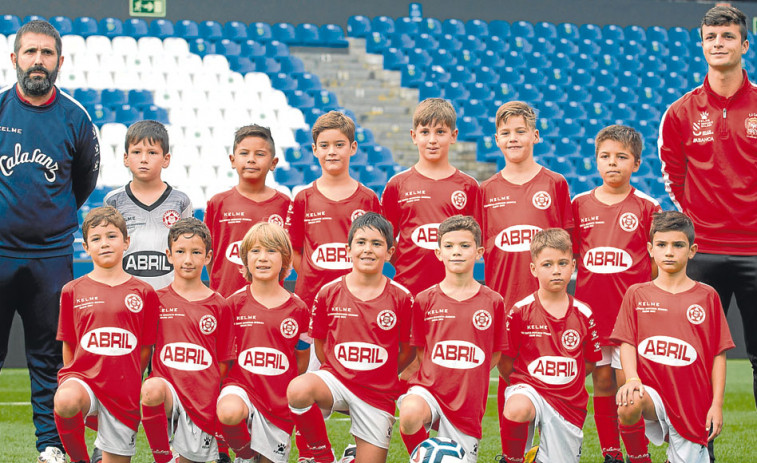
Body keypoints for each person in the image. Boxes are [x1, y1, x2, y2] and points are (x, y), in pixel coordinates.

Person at [0, 19, 100, 461]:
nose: (37, 60)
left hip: (52, 256)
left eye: (46, 53)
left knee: (48, 355)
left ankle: (50, 445)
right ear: (14, 58)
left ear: (60, 61)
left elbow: (83, 182)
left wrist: (49, 220)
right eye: (30, 52)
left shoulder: (76, 118)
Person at [658, 4, 757, 409]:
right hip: (702, 252)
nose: (719, 43)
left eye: (728, 36)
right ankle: (699, 454)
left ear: (745, 45)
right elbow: (671, 173)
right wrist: (696, 225)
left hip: (755, 251)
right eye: (711, 37)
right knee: (694, 358)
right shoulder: (680, 111)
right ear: (701, 46)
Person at [478, 101, 573, 453]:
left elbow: (566, 245)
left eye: (521, 131)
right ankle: (512, 454)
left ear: (536, 135)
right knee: (508, 373)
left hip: (548, 304)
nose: (513, 138)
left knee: (551, 372)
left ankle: (553, 449)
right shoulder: (484, 191)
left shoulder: (555, 184)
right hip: (504, 301)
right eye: (506, 133)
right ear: (496, 140)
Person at [287, 212, 414, 463]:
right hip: (337, 379)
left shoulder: (402, 297)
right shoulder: (328, 292)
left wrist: (384, 374)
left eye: (377, 244)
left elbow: (408, 350)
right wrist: (340, 371)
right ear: (348, 249)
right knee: (298, 389)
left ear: (389, 252)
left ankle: (351, 458)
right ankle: (324, 457)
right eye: (361, 242)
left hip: (378, 392)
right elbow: (321, 345)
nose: (368, 250)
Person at [612, 211, 735, 463]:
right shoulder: (636, 294)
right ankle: (639, 459)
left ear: (692, 250)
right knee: (628, 401)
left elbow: (718, 355)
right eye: (662, 245)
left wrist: (717, 404)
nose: (669, 252)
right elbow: (627, 343)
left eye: (678, 245)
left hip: (692, 401)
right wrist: (632, 378)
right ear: (650, 249)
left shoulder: (707, 296)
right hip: (651, 393)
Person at [572, 125, 660, 462]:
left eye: (621, 157)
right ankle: (611, 453)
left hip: (630, 320)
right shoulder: (580, 204)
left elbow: (653, 264)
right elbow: (576, 257)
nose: (613, 163)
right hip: (592, 315)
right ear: (596, 161)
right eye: (605, 157)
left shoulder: (647, 206)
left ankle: (639, 454)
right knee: (604, 384)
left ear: (636, 163)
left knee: (628, 387)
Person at [53, 207, 159, 463]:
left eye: (112, 236)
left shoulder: (145, 292)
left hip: (123, 389)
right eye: (96, 239)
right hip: (84, 381)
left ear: (126, 242)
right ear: (86, 247)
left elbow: (145, 348)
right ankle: (80, 460)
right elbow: (69, 344)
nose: (105, 244)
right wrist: (73, 378)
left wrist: (131, 380)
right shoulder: (72, 290)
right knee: (65, 400)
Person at [398, 215, 505, 463]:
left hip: (467, 404)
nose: (456, 252)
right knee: (410, 413)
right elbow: (421, 353)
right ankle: (422, 457)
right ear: (438, 252)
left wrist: (466, 372)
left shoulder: (493, 301)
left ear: (479, 252)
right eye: (449, 246)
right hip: (430, 391)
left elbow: (495, 354)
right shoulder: (424, 300)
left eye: (465, 246)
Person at [498, 228, 601, 463]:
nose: (556, 270)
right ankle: (512, 459)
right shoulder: (520, 311)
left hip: (568, 402)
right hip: (529, 387)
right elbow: (506, 363)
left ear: (573, 266)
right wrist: (525, 384)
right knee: (517, 408)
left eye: (562, 263)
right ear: (534, 269)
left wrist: (565, 382)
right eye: (547, 264)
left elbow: (590, 361)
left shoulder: (584, 313)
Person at [140, 218, 234, 463]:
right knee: (151, 390)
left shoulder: (219, 305)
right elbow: (146, 350)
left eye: (196, 252)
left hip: (202, 401)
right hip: (169, 394)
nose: (188, 259)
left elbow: (223, 363)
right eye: (180, 252)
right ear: (169, 255)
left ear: (208, 256)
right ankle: (163, 458)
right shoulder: (156, 300)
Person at [217, 222, 311, 463]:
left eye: (271, 251)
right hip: (242, 390)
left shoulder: (299, 309)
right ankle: (245, 455)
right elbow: (224, 357)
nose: (263, 258)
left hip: (278, 404)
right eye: (255, 251)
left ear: (285, 259)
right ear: (245, 259)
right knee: (229, 412)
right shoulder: (232, 304)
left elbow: (301, 359)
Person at [381, 98, 481, 298]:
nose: (432, 140)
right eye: (425, 132)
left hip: (456, 293)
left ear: (453, 136)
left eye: (440, 132)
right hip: (408, 290)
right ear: (413, 136)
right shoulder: (397, 185)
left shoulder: (469, 186)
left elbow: (476, 242)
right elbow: (385, 242)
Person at [285, 110, 381, 313]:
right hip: (311, 298)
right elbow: (294, 249)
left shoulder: (368, 198)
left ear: (353, 147)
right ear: (314, 149)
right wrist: (312, 274)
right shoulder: (303, 198)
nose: (332, 151)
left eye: (339, 145)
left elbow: (376, 245)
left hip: (357, 298)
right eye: (324, 146)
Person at [104, 120, 193, 289]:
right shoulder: (113, 201)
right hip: (126, 294)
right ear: (126, 158)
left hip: (170, 294)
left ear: (166, 159)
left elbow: (188, 249)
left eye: (152, 152)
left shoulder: (181, 201)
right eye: (136, 152)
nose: (144, 159)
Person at [205, 124, 291, 298]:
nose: (251, 159)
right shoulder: (218, 203)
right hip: (225, 301)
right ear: (232, 160)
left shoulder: (285, 204)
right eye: (244, 153)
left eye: (260, 154)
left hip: (271, 303)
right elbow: (210, 256)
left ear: (274, 163)